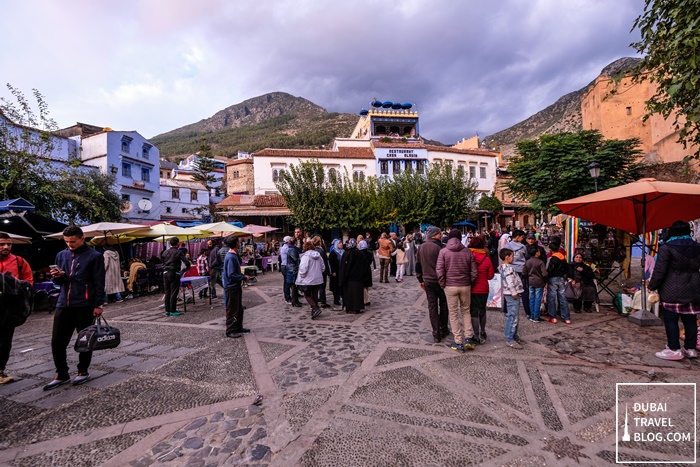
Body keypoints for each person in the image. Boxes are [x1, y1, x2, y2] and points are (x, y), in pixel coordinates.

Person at [44, 226, 105, 389]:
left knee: (84, 340)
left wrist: (99, 304)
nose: (69, 244)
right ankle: (62, 374)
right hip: (63, 303)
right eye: (66, 242)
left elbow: (99, 281)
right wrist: (57, 276)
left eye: (72, 241)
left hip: (85, 305)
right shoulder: (61, 255)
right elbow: (57, 283)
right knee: (57, 341)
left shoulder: (95, 256)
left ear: (82, 238)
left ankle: (82, 371)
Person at [649, 221, 700, 360]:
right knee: (689, 319)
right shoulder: (697, 247)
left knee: (671, 320)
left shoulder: (667, 248)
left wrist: (652, 286)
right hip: (694, 288)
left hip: (673, 289)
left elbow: (660, 270)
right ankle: (690, 349)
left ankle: (674, 349)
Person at [437, 229, 479, 352]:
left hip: (450, 286)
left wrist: (443, 284)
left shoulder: (443, 252)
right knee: (466, 311)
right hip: (465, 285)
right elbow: (474, 270)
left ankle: (458, 341)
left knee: (453, 313)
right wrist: (470, 281)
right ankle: (468, 338)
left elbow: (439, 270)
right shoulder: (467, 251)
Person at [0, 233, 34, 384]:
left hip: (9, 307)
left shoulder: (19, 261)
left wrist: (16, 287)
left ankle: (0, 371)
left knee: (5, 341)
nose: (6, 247)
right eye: (2, 244)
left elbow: (29, 282)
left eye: (9, 244)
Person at [416, 226, 449, 343]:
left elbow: (418, 265)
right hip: (440, 280)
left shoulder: (421, 247)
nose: (441, 235)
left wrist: (420, 279)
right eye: (440, 234)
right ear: (435, 234)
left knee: (432, 306)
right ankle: (443, 328)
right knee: (444, 305)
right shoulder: (440, 247)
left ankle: (436, 333)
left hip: (428, 280)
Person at [468, 236, 495, 343]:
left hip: (472, 288)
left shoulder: (468, 257)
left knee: (473, 311)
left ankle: (476, 334)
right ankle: (483, 330)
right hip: (483, 288)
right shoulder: (487, 259)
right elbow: (490, 276)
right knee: (482, 310)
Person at [223, 236, 250, 338]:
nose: (239, 244)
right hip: (231, 286)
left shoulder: (233, 255)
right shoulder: (230, 257)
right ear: (235, 244)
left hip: (234, 286)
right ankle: (230, 330)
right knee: (232, 309)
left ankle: (238, 327)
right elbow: (231, 274)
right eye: (238, 242)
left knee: (239, 308)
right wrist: (243, 277)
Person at [499, 248, 524, 349]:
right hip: (511, 294)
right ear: (507, 257)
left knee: (514, 316)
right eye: (512, 256)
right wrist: (514, 292)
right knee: (513, 316)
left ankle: (513, 335)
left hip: (510, 293)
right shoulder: (508, 269)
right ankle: (510, 338)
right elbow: (510, 282)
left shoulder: (505, 268)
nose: (513, 258)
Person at [296, 241, 326, 319]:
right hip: (317, 278)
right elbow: (323, 267)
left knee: (307, 294)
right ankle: (314, 310)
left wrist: (301, 275)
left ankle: (315, 308)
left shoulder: (306, 256)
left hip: (308, 279)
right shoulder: (318, 255)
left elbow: (303, 268)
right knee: (315, 294)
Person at [161, 236, 190, 317]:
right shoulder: (178, 252)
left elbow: (162, 261)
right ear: (178, 243)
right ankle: (173, 310)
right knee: (174, 292)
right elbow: (186, 262)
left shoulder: (165, 252)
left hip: (165, 273)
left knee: (167, 292)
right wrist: (186, 268)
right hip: (174, 273)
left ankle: (167, 310)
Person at [339, 239, 370, 314]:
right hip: (358, 278)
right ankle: (357, 308)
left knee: (350, 294)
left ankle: (351, 308)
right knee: (357, 294)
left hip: (349, 278)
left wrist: (342, 277)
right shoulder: (360, 254)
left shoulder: (347, 253)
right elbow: (365, 266)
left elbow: (344, 267)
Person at [545, 237, 570, 324]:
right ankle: (566, 317)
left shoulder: (551, 258)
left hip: (553, 278)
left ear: (551, 249)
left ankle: (552, 317)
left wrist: (546, 280)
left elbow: (548, 270)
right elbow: (566, 269)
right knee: (562, 297)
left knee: (551, 298)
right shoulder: (563, 258)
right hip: (561, 278)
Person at [505, 230, 529, 317]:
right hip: (521, 269)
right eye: (522, 237)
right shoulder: (523, 247)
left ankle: (506, 310)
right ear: (518, 236)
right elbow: (526, 256)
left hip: (510, 269)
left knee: (509, 288)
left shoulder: (507, 245)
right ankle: (527, 311)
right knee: (523, 290)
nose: (523, 239)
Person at [523, 245, 548, 322]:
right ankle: (536, 316)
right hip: (539, 282)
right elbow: (545, 274)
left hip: (531, 281)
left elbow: (524, 272)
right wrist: (545, 281)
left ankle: (531, 315)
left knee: (532, 298)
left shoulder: (527, 262)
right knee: (538, 299)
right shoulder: (540, 262)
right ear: (537, 253)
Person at [311, 235, 331, 308]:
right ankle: (323, 302)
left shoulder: (313, 250)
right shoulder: (321, 251)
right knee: (322, 287)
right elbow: (325, 262)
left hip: (314, 271)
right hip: (322, 271)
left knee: (315, 288)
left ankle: (315, 301)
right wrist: (328, 272)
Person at [286, 237, 303, 307]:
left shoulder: (293, 249)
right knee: (294, 285)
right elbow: (296, 259)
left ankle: (296, 300)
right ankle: (294, 301)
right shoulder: (292, 249)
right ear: (295, 243)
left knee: (295, 285)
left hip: (293, 268)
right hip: (293, 269)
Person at [358, 240, 373, 306]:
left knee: (363, 285)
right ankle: (366, 298)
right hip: (367, 269)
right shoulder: (369, 253)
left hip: (361, 269)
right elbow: (370, 261)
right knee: (366, 285)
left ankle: (365, 299)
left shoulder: (359, 253)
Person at [328, 239, 344, 306]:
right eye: (339, 243)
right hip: (335, 273)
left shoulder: (343, 252)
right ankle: (336, 299)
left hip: (342, 272)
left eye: (341, 243)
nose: (341, 244)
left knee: (342, 285)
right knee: (336, 286)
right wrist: (333, 271)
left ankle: (343, 297)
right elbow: (331, 263)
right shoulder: (333, 253)